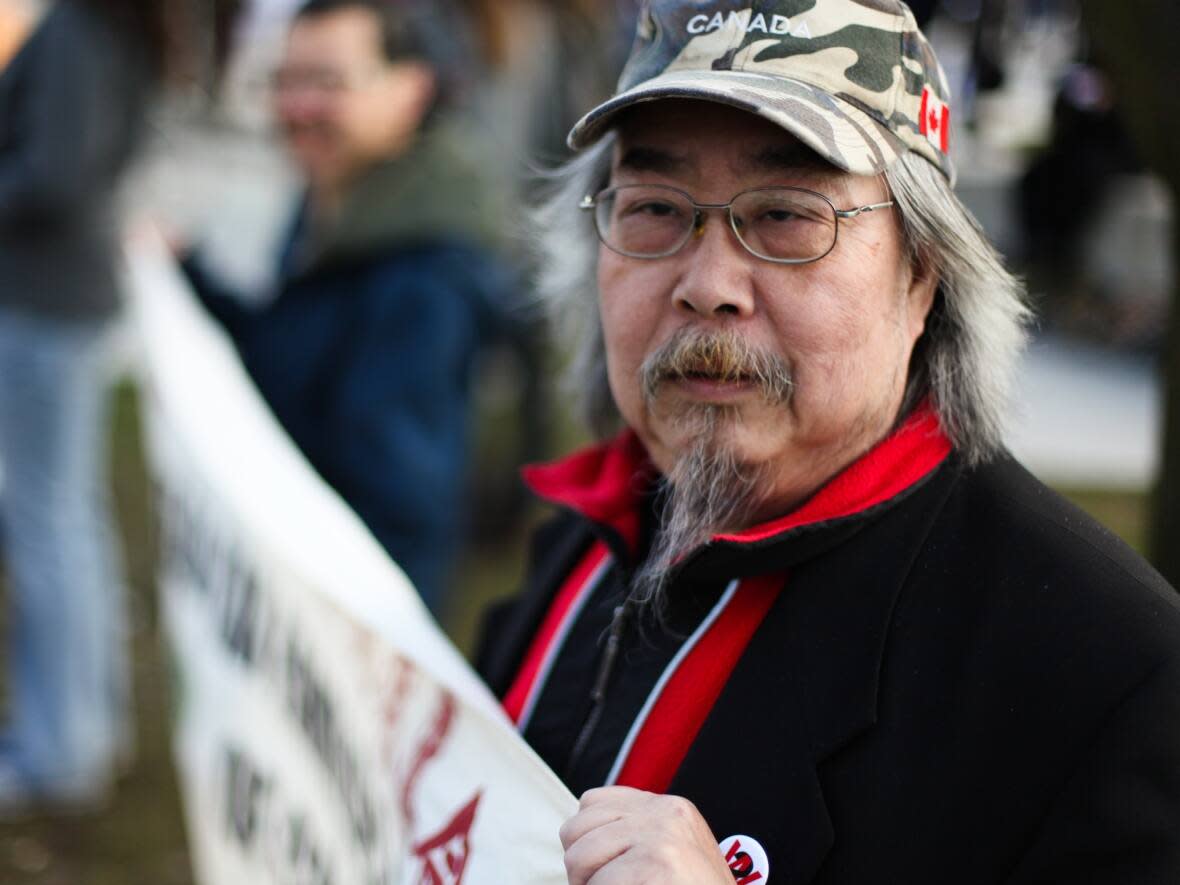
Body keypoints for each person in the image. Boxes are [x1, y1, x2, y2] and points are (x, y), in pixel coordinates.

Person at [475, 0, 1180, 881]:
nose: (708, 284)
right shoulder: (595, 533)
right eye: (656, 206)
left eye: (786, 216)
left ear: (922, 275)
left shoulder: (1105, 678)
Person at [184, 0, 517, 614]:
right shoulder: (335, 205)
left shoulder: (424, 281)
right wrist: (192, 285)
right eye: (286, 81)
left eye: (328, 82)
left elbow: (399, 517)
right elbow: (295, 363)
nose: (297, 106)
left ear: (411, 91)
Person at [0, 0, 163, 810]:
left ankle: (59, 748)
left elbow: (55, 176)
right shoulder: (115, 29)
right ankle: (84, 729)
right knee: (69, 519)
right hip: (65, 302)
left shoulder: (77, 29)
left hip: (41, 305)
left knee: (47, 524)